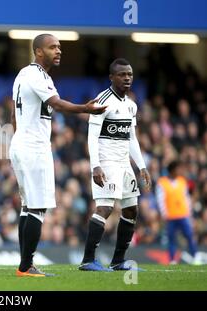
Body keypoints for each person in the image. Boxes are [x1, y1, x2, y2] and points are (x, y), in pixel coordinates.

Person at [9, 34, 107, 277]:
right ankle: (26, 266)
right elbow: (58, 104)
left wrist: (21, 138)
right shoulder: (37, 75)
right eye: (53, 47)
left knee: (27, 206)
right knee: (37, 207)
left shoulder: (23, 74)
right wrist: (85, 108)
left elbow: (14, 115)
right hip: (33, 146)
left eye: (60, 47)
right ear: (38, 52)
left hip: (22, 142)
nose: (59, 51)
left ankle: (24, 265)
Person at [79, 58, 152, 272]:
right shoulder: (102, 101)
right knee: (105, 207)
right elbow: (92, 137)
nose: (127, 78)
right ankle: (87, 260)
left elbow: (131, 138)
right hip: (107, 162)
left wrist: (142, 166)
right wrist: (96, 166)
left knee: (131, 210)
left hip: (124, 164)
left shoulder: (131, 105)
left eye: (129, 74)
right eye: (122, 74)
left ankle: (118, 261)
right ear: (112, 77)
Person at [157, 161, 200, 265]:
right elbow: (160, 198)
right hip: (170, 215)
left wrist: (189, 214)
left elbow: (186, 198)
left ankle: (195, 257)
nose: (180, 171)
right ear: (172, 170)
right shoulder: (162, 182)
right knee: (172, 238)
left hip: (183, 214)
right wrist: (164, 213)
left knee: (189, 236)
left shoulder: (182, 181)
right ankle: (172, 260)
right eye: (177, 169)